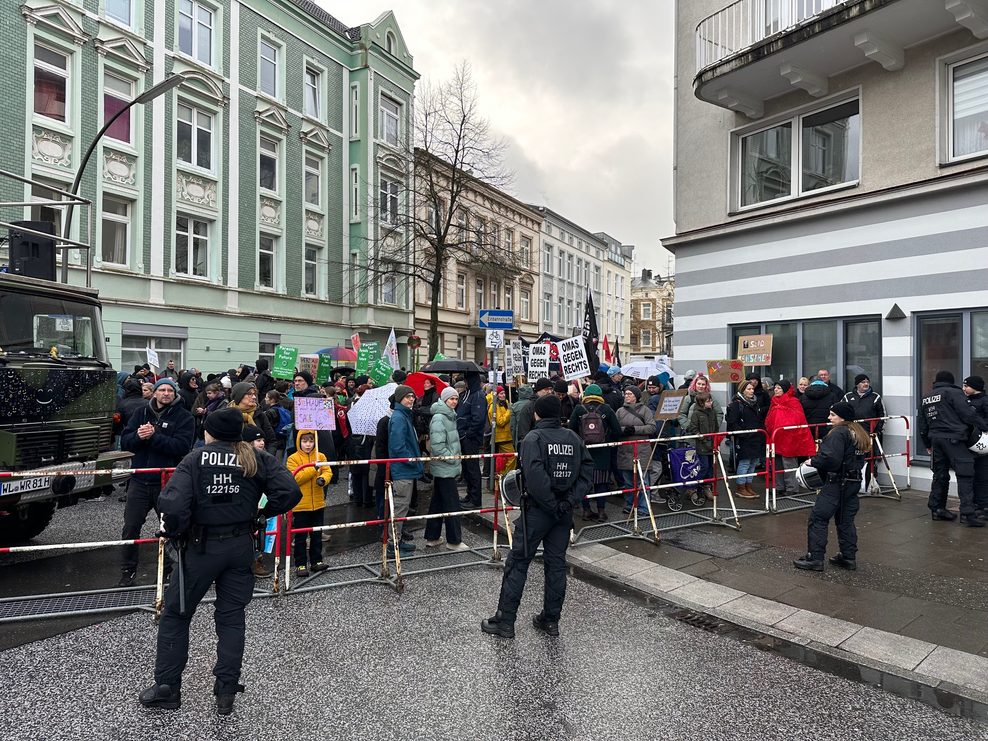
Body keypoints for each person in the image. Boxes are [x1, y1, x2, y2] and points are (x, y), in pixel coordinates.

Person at [138, 407, 301, 715]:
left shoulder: (195, 459)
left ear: (209, 432)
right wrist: (262, 514)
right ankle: (226, 689)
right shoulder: (255, 457)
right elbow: (290, 491)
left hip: (200, 548)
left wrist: (175, 531)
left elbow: (171, 505)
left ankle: (168, 687)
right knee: (231, 617)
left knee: (176, 615)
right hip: (240, 545)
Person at [482, 394, 593, 638]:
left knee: (518, 562)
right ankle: (551, 620)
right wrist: (568, 501)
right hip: (563, 512)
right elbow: (587, 475)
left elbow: (534, 476)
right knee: (556, 565)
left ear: (537, 414)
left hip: (539, 510)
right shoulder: (573, 438)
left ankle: (505, 620)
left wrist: (552, 503)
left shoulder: (534, 438)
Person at [118, 378, 195, 587]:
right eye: (162, 389)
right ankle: (128, 571)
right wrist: (138, 436)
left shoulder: (184, 416)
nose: (166, 393)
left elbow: (182, 446)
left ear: (175, 393)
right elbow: (125, 442)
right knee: (131, 527)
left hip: (168, 482)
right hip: (140, 480)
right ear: (154, 392)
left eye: (170, 390)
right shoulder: (140, 413)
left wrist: (153, 437)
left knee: (171, 527)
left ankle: (168, 571)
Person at [793, 402, 872, 571]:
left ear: (842, 417)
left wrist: (812, 461)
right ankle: (848, 557)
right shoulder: (858, 432)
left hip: (836, 483)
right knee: (845, 521)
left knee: (818, 519)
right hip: (852, 483)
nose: (829, 418)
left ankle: (815, 558)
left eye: (833, 415)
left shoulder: (838, 433)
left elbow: (830, 459)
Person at [919, 370, 988, 526]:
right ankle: (968, 514)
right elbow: (968, 414)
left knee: (940, 475)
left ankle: (937, 509)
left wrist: (927, 444)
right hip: (954, 439)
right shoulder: (953, 393)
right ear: (951, 381)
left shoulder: (926, 397)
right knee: (965, 474)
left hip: (936, 440)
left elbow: (922, 424)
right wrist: (984, 427)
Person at [568, 384, 622, 521]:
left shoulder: (579, 409)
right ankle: (602, 512)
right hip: (603, 451)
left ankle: (586, 510)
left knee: (584, 482)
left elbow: (571, 430)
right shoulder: (606, 409)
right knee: (601, 482)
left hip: (583, 452)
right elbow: (617, 430)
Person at [425, 387, 469, 551]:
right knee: (452, 504)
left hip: (445, 466)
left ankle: (432, 536)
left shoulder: (448, 416)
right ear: (444, 400)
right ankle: (454, 541)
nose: (454, 401)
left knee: (437, 502)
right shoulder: (439, 418)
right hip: (445, 466)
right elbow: (438, 446)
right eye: (451, 399)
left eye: (456, 399)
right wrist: (451, 457)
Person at [285, 430, 331, 576]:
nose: (308, 444)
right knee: (300, 537)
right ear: (299, 441)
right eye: (305, 441)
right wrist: (313, 469)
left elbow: (328, 471)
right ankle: (300, 564)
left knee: (316, 534)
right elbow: (296, 478)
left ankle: (316, 561)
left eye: (311, 441)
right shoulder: (293, 458)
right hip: (300, 504)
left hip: (318, 502)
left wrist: (323, 479)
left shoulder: (321, 456)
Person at [764, 381, 816, 495]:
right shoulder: (774, 401)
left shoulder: (793, 402)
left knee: (789, 463)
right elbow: (770, 417)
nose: (776, 390)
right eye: (775, 388)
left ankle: (792, 488)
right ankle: (779, 486)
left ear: (785, 389)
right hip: (776, 437)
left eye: (779, 388)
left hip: (789, 437)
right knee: (777, 463)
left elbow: (798, 419)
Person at [388, 385, 422, 554]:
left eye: (413, 396)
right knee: (400, 507)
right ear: (399, 398)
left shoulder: (403, 415)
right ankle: (392, 544)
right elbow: (397, 446)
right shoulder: (400, 417)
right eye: (408, 396)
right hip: (402, 470)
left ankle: (397, 540)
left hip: (405, 469)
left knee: (401, 507)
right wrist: (412, 461)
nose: (411, 399)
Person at [615, 386, 657, 515]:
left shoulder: (645, 410)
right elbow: (614, 428)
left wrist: (635, 429)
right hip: (625, 450)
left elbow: (652, 427)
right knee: (628, 481)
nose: (627, 396)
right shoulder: (620, 411)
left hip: (642, 450)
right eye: (625, 393)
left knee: (642, 481)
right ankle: (630, 504)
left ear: (636, 396)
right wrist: (623, 430)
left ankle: (643, 508)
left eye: (629, 394)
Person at [842, 373, 886, 491]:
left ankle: (870, 482)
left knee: (870, 459)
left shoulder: (875, 397)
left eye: (867, 382)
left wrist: (877, 431)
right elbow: (841, 413)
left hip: (869, 434)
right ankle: (852, 483)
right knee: (852, 458)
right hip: (852, 434)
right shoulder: (847, 397)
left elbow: (882, 416)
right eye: (863, 382)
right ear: (857, 384)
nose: (866, 384)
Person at [725, 379, 765, 499]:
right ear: (742, 390)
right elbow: (732, 422)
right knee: (744, 463)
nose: (752, 391)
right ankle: (741, 487)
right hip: (745, 438)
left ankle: (748, 485)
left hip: (755, 437)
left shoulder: (755, 403)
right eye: (749, 389)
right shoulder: (736, 404)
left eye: (752, 388)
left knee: (753, 462)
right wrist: (743, 434)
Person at [456, 371, 488, 509]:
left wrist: (469, 434)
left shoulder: (478, 396)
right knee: (468, 469)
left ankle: (475, 500)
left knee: (473, 469)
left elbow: (478, 418)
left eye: (467, 380)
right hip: (464, 436)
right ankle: (470, 495)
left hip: (470, 438)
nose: (466, 383)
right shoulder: (468, 394)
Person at [963, 376, 988, 520]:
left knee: (982, 476)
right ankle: (976, 504)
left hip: (982, 444)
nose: (964, 388)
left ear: (975, 387)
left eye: (966, 386)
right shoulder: (966, 401)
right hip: (970, 444)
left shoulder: (984, 401)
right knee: (972, 475)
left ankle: (984, 506)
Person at [685, 392, 718, 500]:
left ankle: (706, 486)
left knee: (710, 468)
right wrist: (701, 437)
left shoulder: (712, 412)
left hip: (711, 443)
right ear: (702, 403)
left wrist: (715, 438)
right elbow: (693, 428)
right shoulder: (696, 414)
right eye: (708, 401)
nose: (711, 402)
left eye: (710, 400)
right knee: (704, 466)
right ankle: (693, 486)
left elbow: (716, 426)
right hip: (702, 445)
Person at [513, 377, 553, 447]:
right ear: (538, 390)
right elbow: (523, 432)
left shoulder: (552, 405)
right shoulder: (529, 408)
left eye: (550, 389)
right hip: (535, 446)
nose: (549, 392)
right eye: (546, 389)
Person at [488, 385, 516, 474]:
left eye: (504, 393)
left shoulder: (505, 403)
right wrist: (509, 412)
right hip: (502, 437)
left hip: (507, 435)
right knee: (512, 456)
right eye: (501, 393)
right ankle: (507, 474)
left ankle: (502, 475)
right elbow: (500, 422)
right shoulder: (494, 407)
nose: (503, 395)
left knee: (503, 459)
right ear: (497, 395)